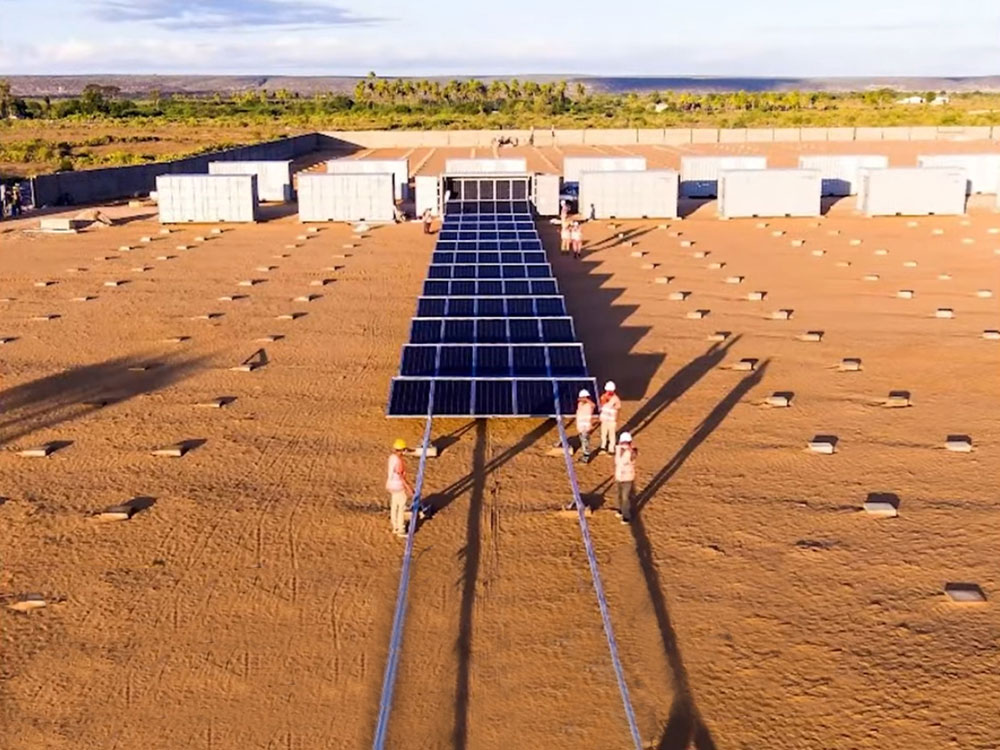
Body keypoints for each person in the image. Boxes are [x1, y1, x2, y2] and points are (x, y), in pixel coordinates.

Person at [386, 438, 414, 537]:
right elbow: (401, 476)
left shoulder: (392, 457)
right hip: (398, 486)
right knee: (401, 508)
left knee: (394, 506)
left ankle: (395, 527)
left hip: (390, 484)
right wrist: (408, 488)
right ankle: (400, 530)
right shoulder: (399, 462)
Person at [614, 432, 638, 524]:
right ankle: (621, 509)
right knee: (619, 495)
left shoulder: (632, 452)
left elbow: (633, 456)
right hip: (619, 476)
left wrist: (629, 449)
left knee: (625, 497)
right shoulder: (618, 450)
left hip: (628, 477)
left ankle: (626, 516)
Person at [599, 381, 621, 454]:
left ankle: (611, 449)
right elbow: (601, 405)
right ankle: (603, 447)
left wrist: (616, 419)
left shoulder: (616, 399)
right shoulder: (603, 397)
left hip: (612, 420)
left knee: (612, 435)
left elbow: (618, 409)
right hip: (604, 419)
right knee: (603, 434)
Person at [575, 389, 597, 462]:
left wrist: (586, 400)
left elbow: (593, 405)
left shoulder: (589, 405)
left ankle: (586, 457)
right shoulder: (580, 404)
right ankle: (585, 455)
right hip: (580, 426)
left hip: (586, 427)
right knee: (583, 441)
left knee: (585, 442)